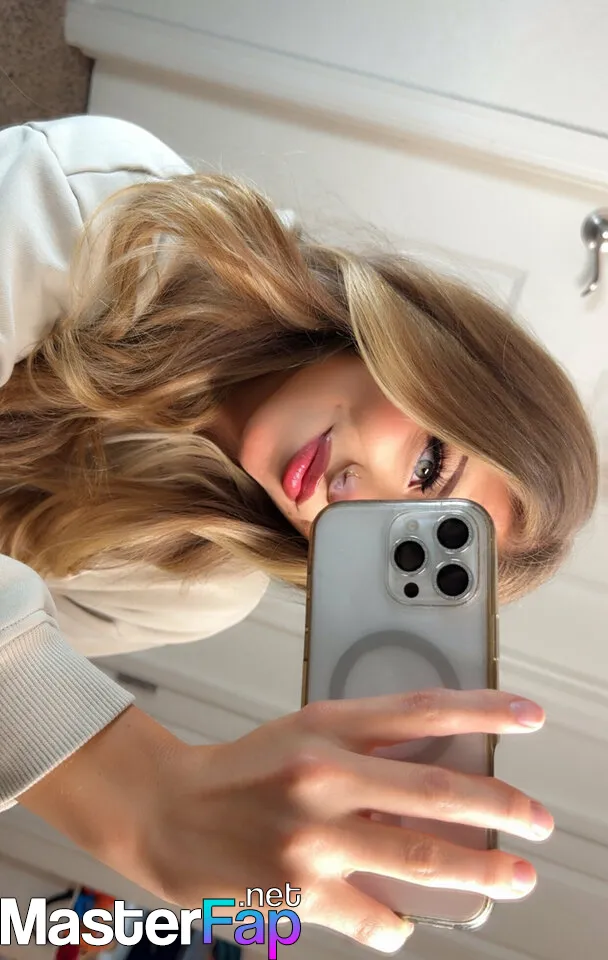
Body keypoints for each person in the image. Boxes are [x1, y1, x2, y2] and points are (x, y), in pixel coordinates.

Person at [0, 115, 598, 953]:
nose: (350, 500)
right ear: (436, 353)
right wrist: (139, 795)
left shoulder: (196, 591)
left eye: (392, 542)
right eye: (429, 465)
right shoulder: (120, 216)